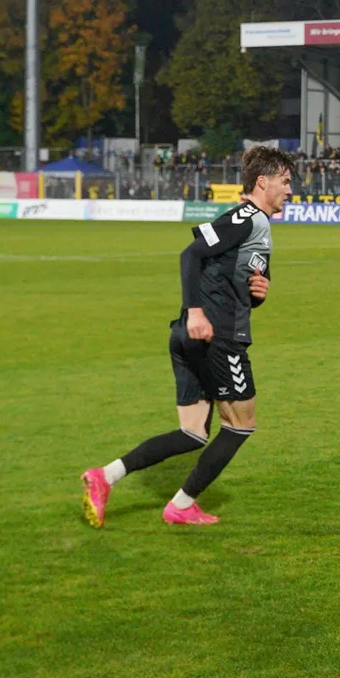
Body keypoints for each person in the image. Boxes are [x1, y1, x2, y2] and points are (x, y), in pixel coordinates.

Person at [79, 146, 293, 527]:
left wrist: (260, 291)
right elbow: (190, 255)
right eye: (286, 181)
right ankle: (180, 505)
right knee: (241, 424)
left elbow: (240, 280)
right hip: (216, 335)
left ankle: (105, 476)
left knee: (193, 433)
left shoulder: (251, 224)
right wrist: (196, 311)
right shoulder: (246, 218)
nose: (291, 190)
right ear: (263, 182)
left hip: (189, 334)